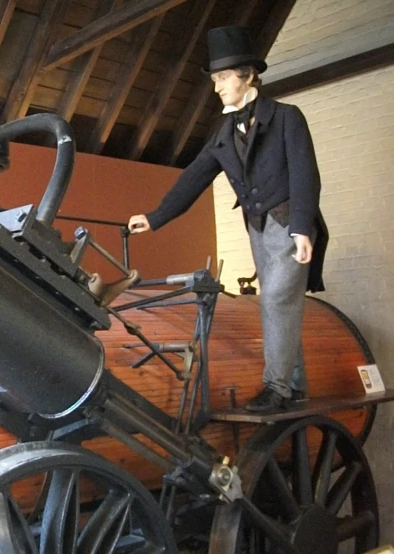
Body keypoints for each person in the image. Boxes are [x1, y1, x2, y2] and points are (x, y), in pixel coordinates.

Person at [128, 26, 328, 412]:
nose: (217, 87)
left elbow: (306, 173)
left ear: (249, 75)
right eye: (216, 79)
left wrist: (303, 227)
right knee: (279, 303)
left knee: (275, 298)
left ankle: (278, 389)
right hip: (256, 228)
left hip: (289, 223)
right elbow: (194, 178)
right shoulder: (223, 133)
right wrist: (155, 218)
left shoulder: (287, 118)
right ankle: (296, 384)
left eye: (223, 78)